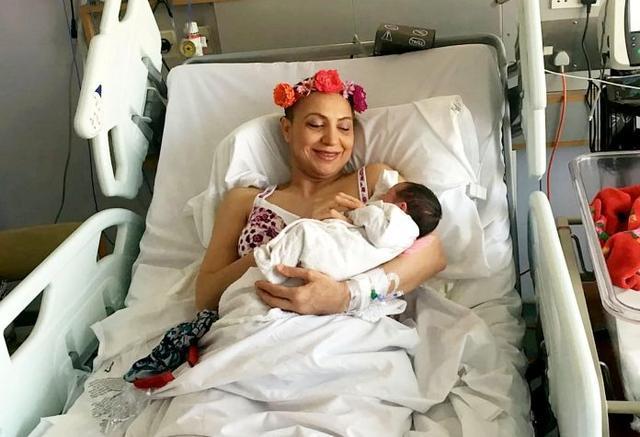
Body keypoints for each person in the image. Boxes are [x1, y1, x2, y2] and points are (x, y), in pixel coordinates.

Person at [195, 69, 447, 316]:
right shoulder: (244, 201)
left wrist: (345, 296)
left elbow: (432, 255)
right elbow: (205, 296)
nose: (331, 139)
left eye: (344, 127)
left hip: (348, 331)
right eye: (316, 124)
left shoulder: (376, 182)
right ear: (287, 129)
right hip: (254, 325)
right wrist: (280, 247)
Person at [252, 181, 442, 285]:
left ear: (402, 207)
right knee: (305, 235)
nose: (382, 197)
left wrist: (359, 211)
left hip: (337, 260)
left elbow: (376, 227)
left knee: (304, 231)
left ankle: (272, 268)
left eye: (388, 194)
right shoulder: (402, 234)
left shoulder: (400, 224)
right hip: (338, 267)